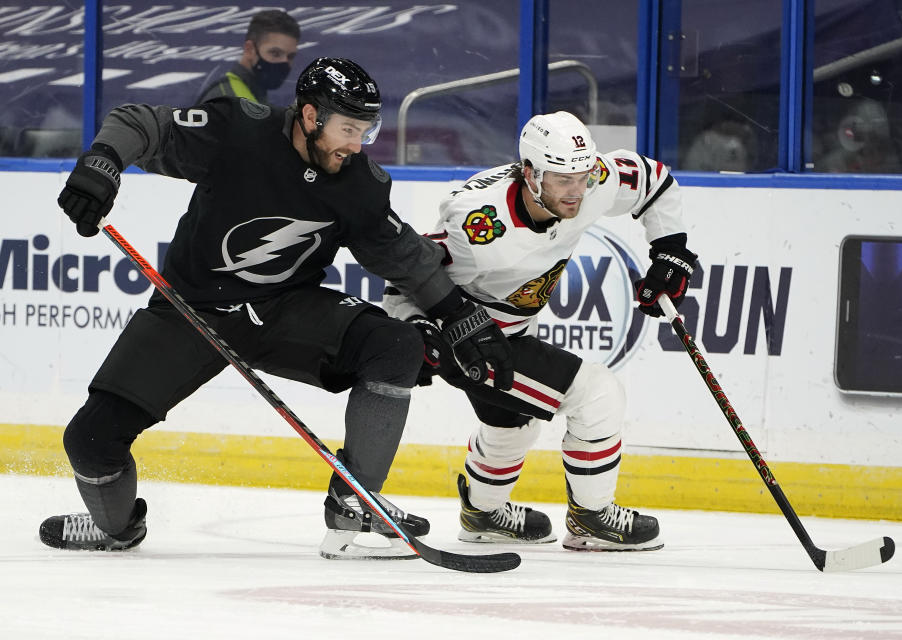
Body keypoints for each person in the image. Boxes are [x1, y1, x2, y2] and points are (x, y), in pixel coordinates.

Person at [42, 57, 513, 560]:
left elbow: (403, 256)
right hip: (191, 310)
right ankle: (115, 527)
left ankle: (354, 503)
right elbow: (139, 122)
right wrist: (102, 165)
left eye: (366, 130)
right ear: (310, 116)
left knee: (396, 344)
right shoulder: (238, 131)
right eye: (349, 129)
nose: (357, 145)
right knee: (91, 440)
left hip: (286, 309)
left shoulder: (360, 184)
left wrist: (461, 313)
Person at [384, 111, 697, 551]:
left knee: (513, 422)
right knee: (598, 394)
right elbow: (408, 274)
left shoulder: (593, 181)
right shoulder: (477, 225)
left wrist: (671, 252)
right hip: (468, 339)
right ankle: (591, 517)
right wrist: (414, 328)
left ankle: (484, 513)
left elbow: (654, 181)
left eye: (582, 177)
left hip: (512, 330)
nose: (576, 192)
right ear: (530, 174)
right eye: (562, 180)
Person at [196, 10, 300, 104]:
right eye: (275, 53)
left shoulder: (254, 94)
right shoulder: (226, 99)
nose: (284, 63)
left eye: (290, 56)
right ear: (250, 49)